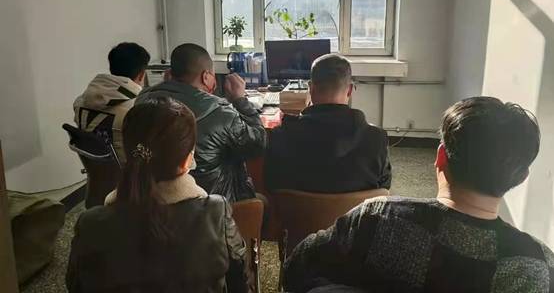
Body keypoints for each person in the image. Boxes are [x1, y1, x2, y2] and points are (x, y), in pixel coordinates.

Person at [284, 97, 554, 293]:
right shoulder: (541, 266)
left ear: (440, 157)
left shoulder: (377, 218)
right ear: (521, 177)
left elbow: (297, 266)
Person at [66, 96, 250, 293]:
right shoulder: (216, 213)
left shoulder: (89, 224)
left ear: (128, 152)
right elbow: (240, 283)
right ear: (187, 161)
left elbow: (76, 286)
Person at [137, 43, 266, 202]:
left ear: (169, 74)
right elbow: (258, 144)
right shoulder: (220, 113)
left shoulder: (141, 101)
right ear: (206, 77)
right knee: (261, 202)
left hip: (151, 201)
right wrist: (240, 100)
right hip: (212, 203)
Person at [265, 54, 391, 193]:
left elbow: (270, 183)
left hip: (295, 208)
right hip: (358, 208)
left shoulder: (280, 136)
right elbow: (383, 187)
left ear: (311, 89)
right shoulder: (377, 138)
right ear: (350, 90)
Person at [73, 42, 150, 163]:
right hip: (130, 171)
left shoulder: (80, 102)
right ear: (141, 75)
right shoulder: (137, 109)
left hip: (97, 170)